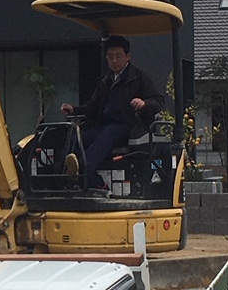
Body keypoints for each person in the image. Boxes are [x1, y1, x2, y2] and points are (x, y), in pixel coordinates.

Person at [64, 34, 164, 188]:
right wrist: (73, 110)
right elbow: (93, 106)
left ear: (127, 56)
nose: (114, 61)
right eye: (110, 57)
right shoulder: (106, 80)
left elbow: (157, 101)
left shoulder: (139, 77)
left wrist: (143, 103)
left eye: (118, 56)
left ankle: (86, 168)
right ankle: (85, 177)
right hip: (104, 127)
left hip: (129, 127)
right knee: (74, 137)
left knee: (110, 133)